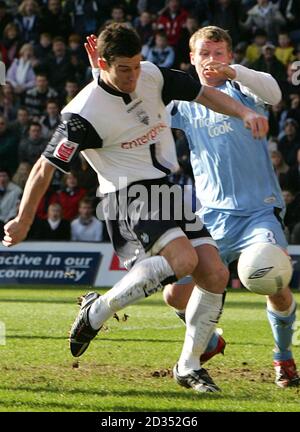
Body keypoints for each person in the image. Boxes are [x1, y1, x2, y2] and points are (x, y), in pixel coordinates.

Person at [2, 24, 268, 394]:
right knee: (184, 260)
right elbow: (45, 167)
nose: (132, 76)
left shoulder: (152, 76)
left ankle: (188, 367)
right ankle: (97, 311)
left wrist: (244, 112)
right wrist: (24, 218)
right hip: (126, 194)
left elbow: (203, 94)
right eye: (123, 69)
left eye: (136, 66)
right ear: (104, 64)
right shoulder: (82, 113)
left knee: (216, 274)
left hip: (166, 189)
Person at [161, 25, 299, 388]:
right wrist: (100, 73)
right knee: (174, 294)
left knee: (275, 284)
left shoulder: (245, 88)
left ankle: (283, 358)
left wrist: (234, 72)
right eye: (204, 54)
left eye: (218, 53)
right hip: (212, 218)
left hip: (258, 212)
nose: (211, 60)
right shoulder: (186, 101)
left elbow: (275, 91)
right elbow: (142, 106)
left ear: (230, 56)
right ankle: (209, 341)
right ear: (191, 59)